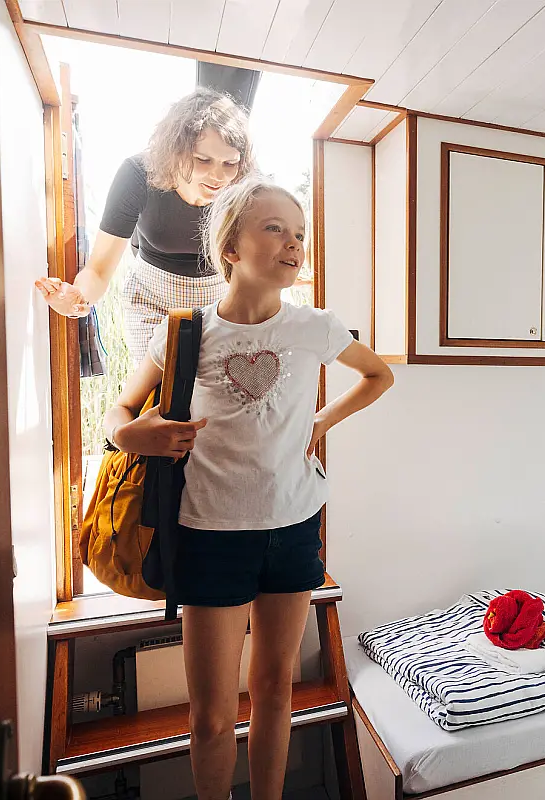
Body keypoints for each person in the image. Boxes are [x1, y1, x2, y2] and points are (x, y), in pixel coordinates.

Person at [101, 177, 394, 799]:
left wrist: (320, 421)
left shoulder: (315, 326)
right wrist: (129, 436)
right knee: (210, 716)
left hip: (293, 529)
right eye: (275, 228)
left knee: (275, 693)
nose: (293, 244)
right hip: (208, 535)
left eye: (299, 234)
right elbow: (119, 410)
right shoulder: (187, 332)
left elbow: (378, 376)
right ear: (230, 247)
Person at [35, 87, 256, 365]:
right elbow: (99, 270)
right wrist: (78, 298)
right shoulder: (138, 174)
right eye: (203, 160)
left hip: (220, 302)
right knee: (160, 389)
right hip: (151, 300)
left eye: (230, 163)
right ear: (175, 151)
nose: (218, 176)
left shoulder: (244, 186)